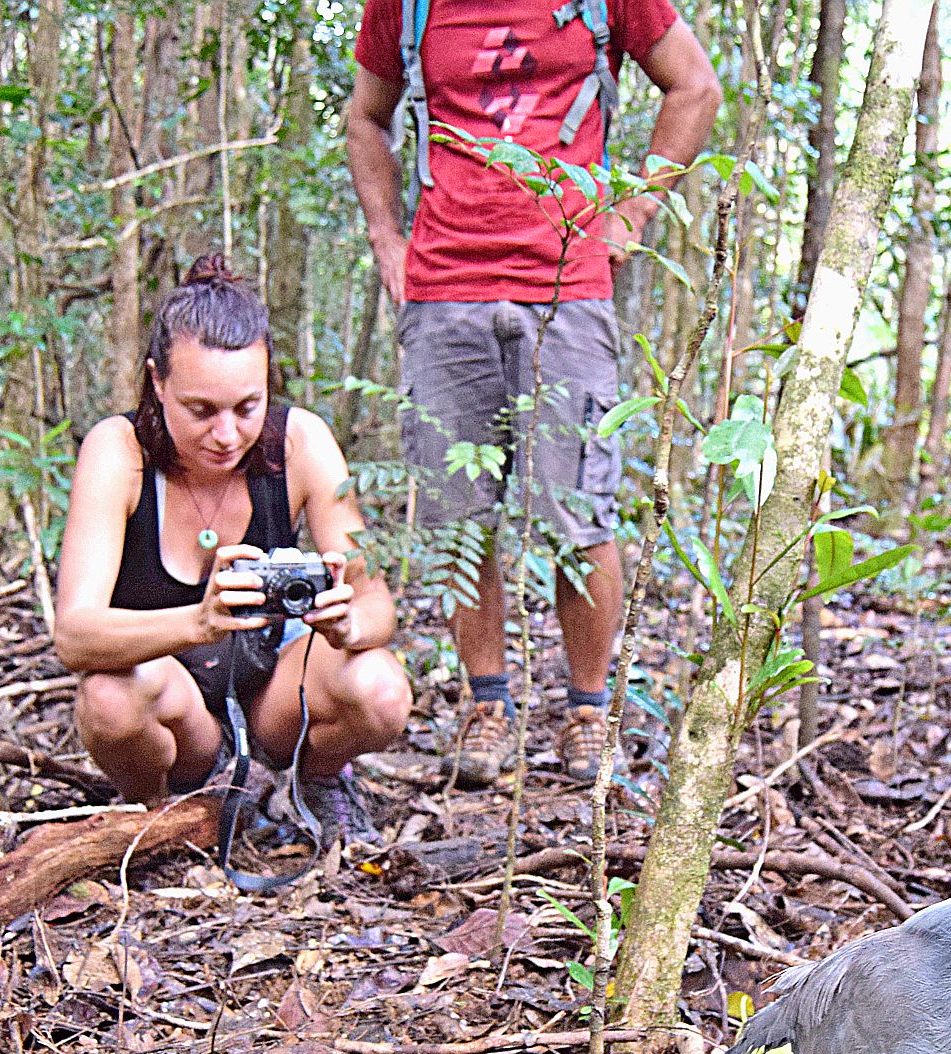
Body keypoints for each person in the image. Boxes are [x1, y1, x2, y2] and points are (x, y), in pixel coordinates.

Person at [344, 0, 720, 785]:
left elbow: (694, 87)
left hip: (566, 286)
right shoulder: (410, 6)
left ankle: (587, 710)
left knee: (581, 513)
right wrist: (387, 234)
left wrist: (634, 211)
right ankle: (488, 705)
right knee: (460, 514)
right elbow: (367, 114)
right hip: (445, 287)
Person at [54, 253, 412, 845]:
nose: (226, 436)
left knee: (380, 687)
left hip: (278, 690)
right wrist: (198, 622)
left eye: (247, 408)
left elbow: (378, 605)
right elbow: (75, 634)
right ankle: (158, 814)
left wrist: (346, 623)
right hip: (172, 702)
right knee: (108, 700)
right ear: (157, 383)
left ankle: (316, 780)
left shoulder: (298, 442)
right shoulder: (119, 451)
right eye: (201, 411)